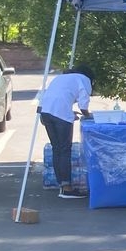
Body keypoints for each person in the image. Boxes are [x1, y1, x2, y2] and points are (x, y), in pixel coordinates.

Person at [38, 64, 94, 199]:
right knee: (64, 150)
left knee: (56, 149)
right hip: (60, 114)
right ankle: (67, 188)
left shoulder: (61, 78)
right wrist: (88, 116)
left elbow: (58, 97)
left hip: (45, 112)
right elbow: (83, 104)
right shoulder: (83, 79)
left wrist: (68, 112)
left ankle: (61, 184)